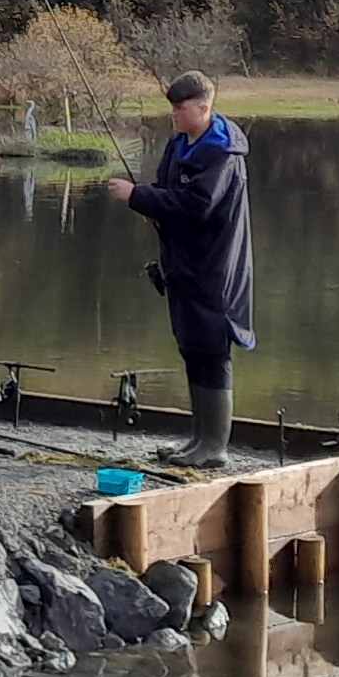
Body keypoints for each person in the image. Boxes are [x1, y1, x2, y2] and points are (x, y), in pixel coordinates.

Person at [104, 70, 254, 465]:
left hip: (214, 270)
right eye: (172, 108)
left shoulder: (221, 154)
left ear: (203, 108)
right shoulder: (179, 144)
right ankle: (197, 441)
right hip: (182, 265)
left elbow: (196, 206)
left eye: (180, 109)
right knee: (190, 347)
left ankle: (215, 447)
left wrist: (137, 196)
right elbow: (170, 193)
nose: (174, 115)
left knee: (211, 350)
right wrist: (151, 205)